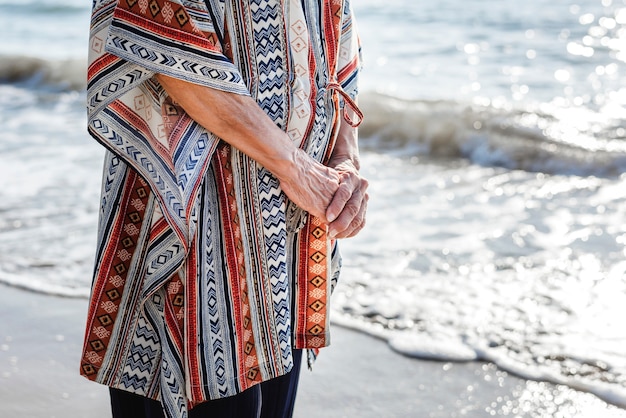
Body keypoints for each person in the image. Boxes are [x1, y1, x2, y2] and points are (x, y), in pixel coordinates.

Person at [79, 0, 367, 417]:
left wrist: (345, 159)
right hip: (196, 215)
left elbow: (335, 34)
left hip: (290, 230)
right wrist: (298, 169)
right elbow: (167, 41)